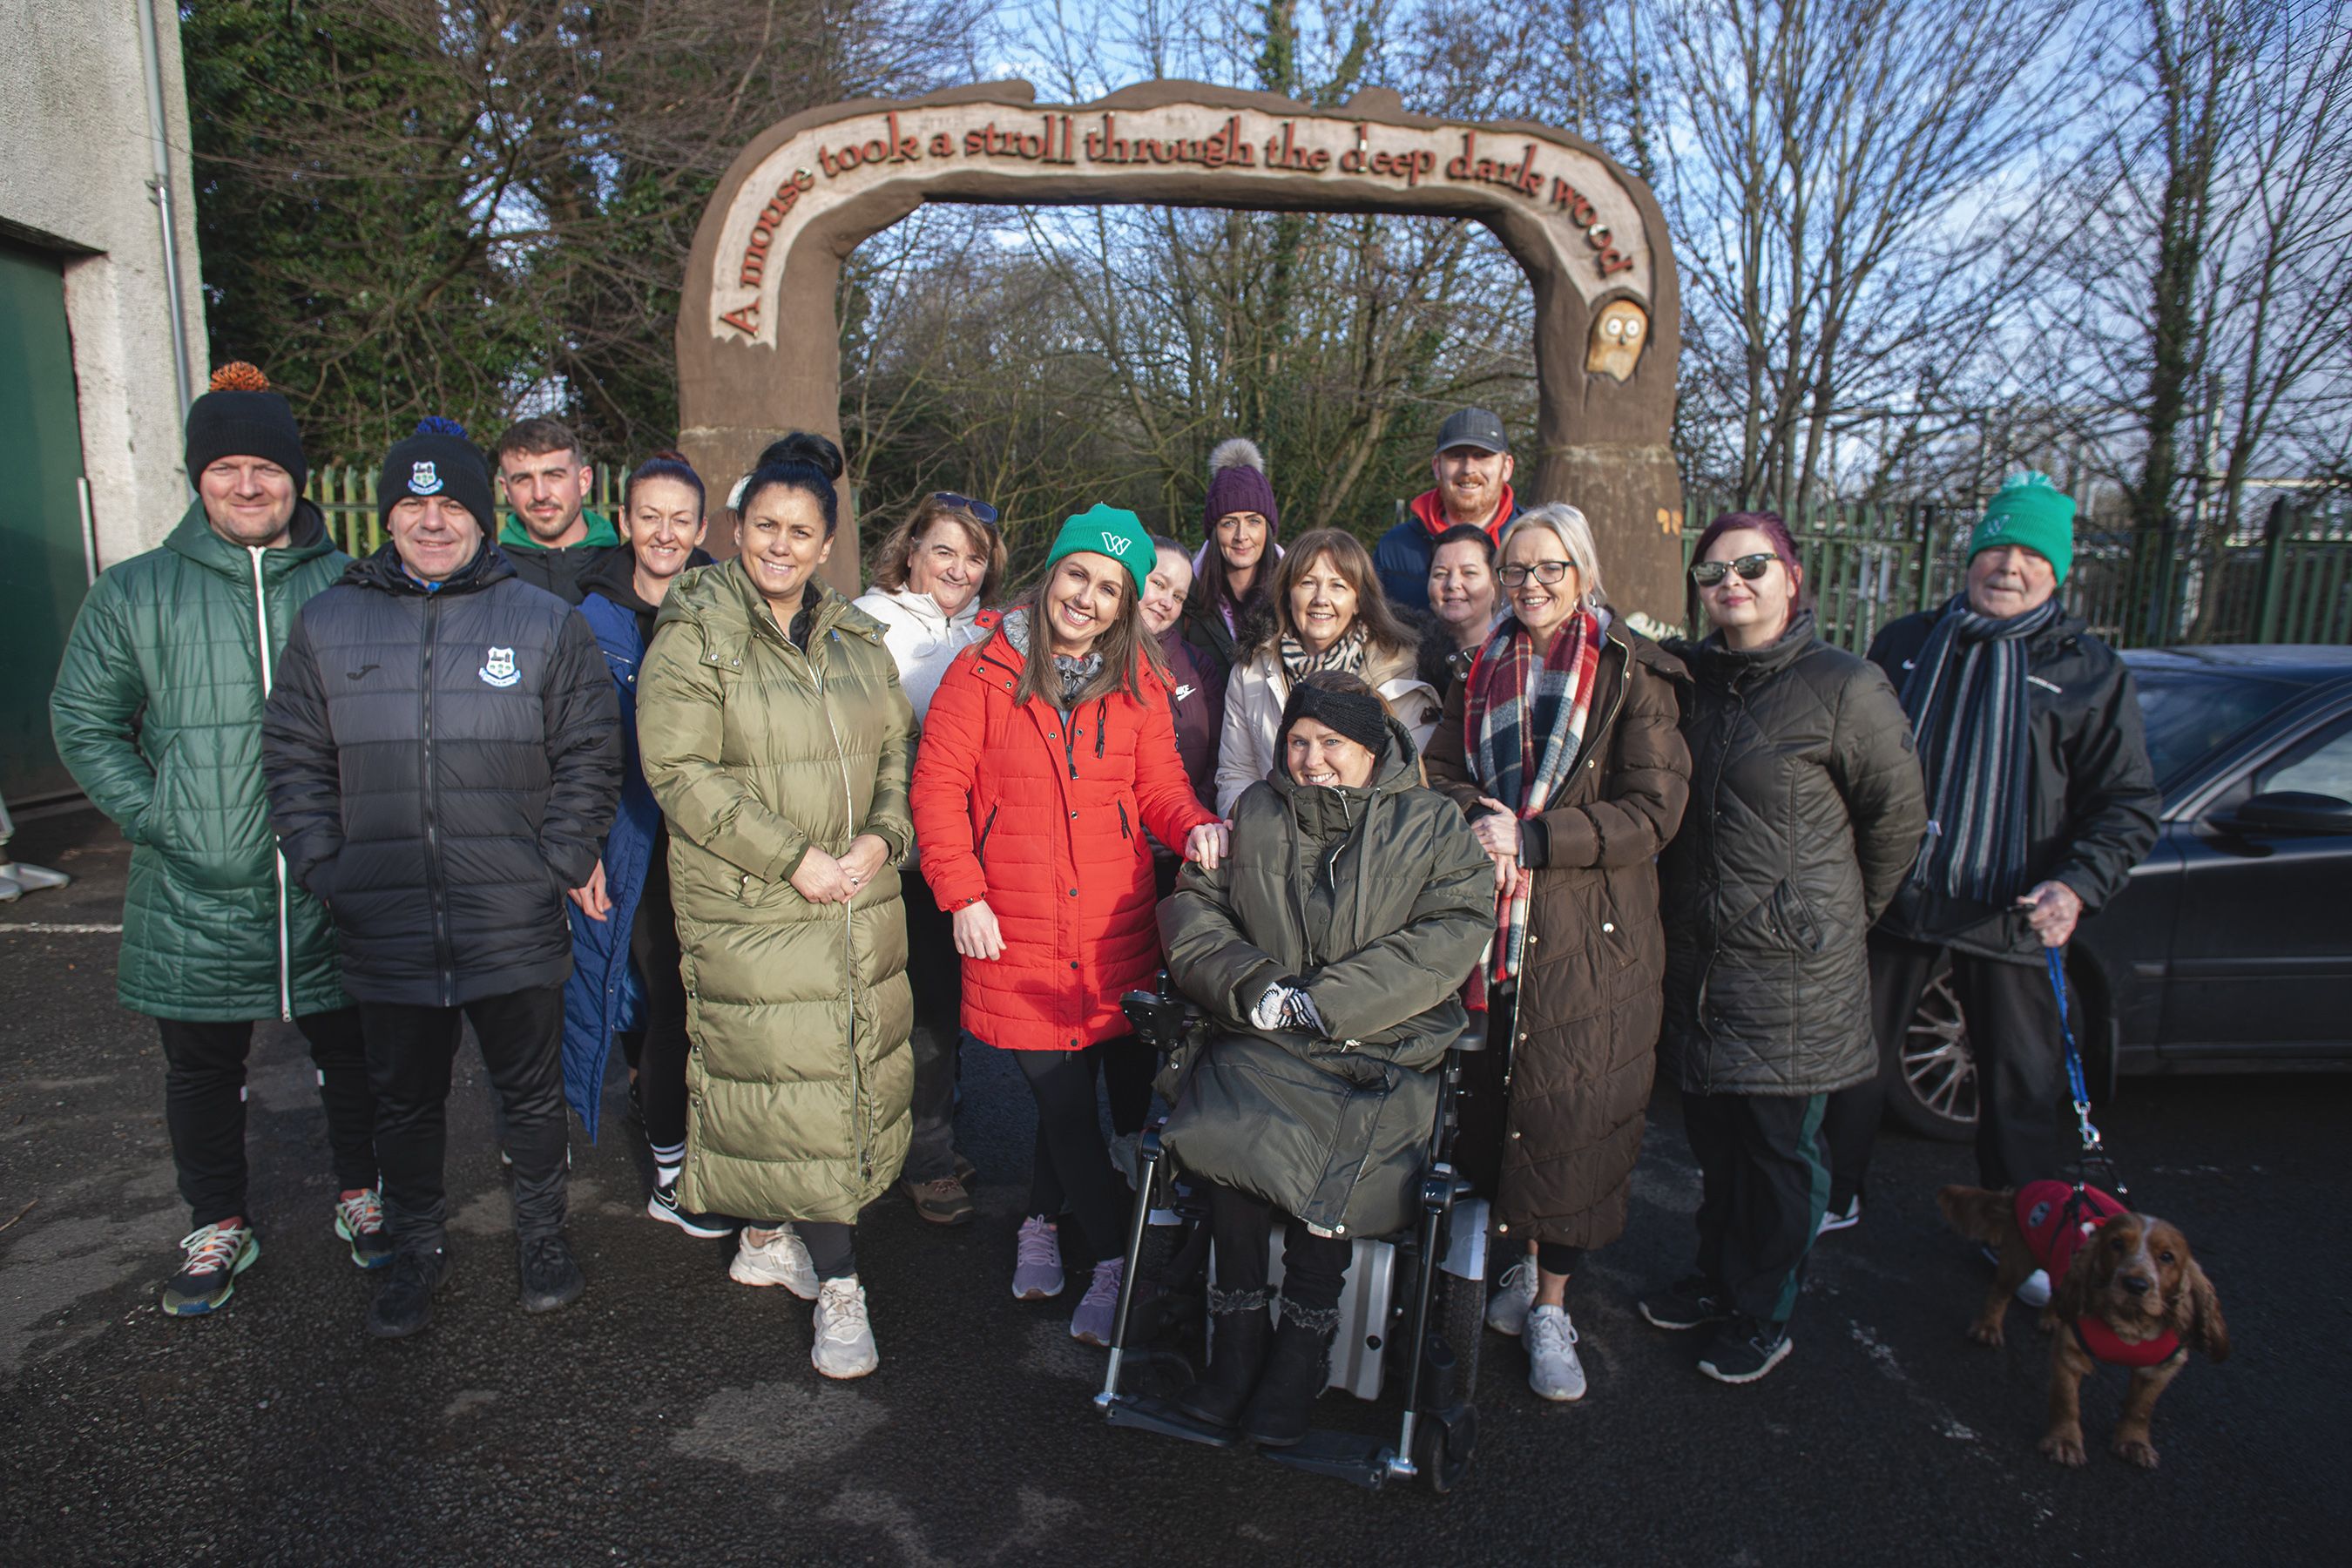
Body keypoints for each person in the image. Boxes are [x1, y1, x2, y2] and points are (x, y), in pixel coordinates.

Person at [262, 416, 621, 1340]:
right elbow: (293, 757)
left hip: (510, 913)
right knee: (405, 1102)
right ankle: (415, 1248)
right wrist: (323, 864)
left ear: (479, 509)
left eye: (450, 503)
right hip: (384, 920)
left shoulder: (542, 624)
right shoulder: (330, 619)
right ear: (389, 517)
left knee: (530, 1095)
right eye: (413, 505)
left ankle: (542, 1237)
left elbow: (589, 753)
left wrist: (557, 860)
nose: (432, 521)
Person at [51, 362, 384, 1317]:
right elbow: (84, 720)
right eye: (226, 466)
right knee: (201, 1068)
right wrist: (161, 818)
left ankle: (363, 1193)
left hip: (331, 879)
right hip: (195, 882)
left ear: (297, 475)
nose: (248, 485)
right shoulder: (136, 592)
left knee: (352, 1051)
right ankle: (216, 1219)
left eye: (266, 467)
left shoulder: (348, 582)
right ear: (198, 478)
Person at [1820, 474, 2159, 1304]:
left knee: (2017, 1084)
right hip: (1900, 891)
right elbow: (1847, 758)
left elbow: (2124, 803)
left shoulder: (2088, 670)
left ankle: (2026, 1234)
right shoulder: (1907, 640)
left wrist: (2077, 885)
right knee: (1848, 1059)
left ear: (2058, 572)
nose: (2007, 566)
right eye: (1995, 548)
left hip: (2012, 908)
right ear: (1971, 556)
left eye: (2030, 554)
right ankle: (1833, 1193)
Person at [636, 432, 917, 1381]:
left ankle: (765, 1236)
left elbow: (894, 759)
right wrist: (793, 858)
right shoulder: (698, 629)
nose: (780, 547)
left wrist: (883, 839)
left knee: (820, 1075)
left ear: (827, 541)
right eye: (765, 527)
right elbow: (679, 770)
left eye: (801, 531)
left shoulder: (853, 639)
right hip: (755, 898)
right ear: (737, 526)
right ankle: (841, 1289)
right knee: (800, 1084)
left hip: (855, 893)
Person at [909, 504, 1227, 1346]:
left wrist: (1194, 825)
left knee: (1077, 1103)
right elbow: (937, 792)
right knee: (1061, 1102)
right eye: (1078, 574)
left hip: (1113, 928)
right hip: (1013, 925)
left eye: (1110, 588)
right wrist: (962, 892)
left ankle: (1040, 1226)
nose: (1087, 597)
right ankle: (1120, 1263)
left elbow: (1158, 787)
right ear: (1051, 574)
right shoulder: (981, 673)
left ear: (1127, 606)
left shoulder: (1140, 684)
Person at [1158, 673, 1493, 1445]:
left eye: (1330, 744)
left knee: (1342, 1159)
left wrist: (1331, 1001)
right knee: (1232, 1136)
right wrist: (1258, 986)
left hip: (1378, 1050)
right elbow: (1194, 908)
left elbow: (1453, 928)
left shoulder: (1434, 825)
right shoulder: (1257, 812)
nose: (1311, 759)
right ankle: (1238, 1344)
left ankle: (1301, 1347)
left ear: (1372, 750)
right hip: (1265, 1033)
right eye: (1298, 742)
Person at [1642, 512, 1927, 1384]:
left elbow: (1896, 818)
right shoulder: (1692, 679)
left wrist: (1831, 918)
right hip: (1702, 959)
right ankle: (1716, 1277)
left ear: (1792, 577)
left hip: (1792, 969)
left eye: (1752, 566)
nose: (1732, 582)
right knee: (1717, 1139)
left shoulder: (1848, 686)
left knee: (1777, 1150)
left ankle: (1765, 1310)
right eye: (1714, 570)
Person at [1424, 502, 1690, 1402]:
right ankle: (1508, 1270)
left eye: (1550, 569)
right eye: (1517, 570)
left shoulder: (1631, 672)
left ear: (1583, 572)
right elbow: (1440, 771)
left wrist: (1533, 839)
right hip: (1488, 929)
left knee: (1573, 1120)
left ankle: (1553, 1304)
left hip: (1590, 933)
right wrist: (1477, 818)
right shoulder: (1481, 665)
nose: (1531, 586)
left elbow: (1654, 812)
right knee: (1499, 1111)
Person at [559, 450, 718, 1233]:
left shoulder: (728, 608)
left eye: (680, 518)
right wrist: (581, 847)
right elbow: (562, 745)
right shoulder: (589, 620)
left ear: (701, 527)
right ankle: (669, 1166)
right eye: (648, 516)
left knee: (719, 1004)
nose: (664, 532)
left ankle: (721, 1151)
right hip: (635, 840)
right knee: (667, 1005)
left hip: (716, 843)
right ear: (624, 521)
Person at [852, 491, 1008, 1227]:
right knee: (907, 1014)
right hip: (888, 854)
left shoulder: (987, 634)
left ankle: (927, 1134)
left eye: (974, 557)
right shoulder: (866, 625)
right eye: (943, 549)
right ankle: (923, 1157)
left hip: (955, 855)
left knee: (944, 1011)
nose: (958, 567)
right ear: (910, 549)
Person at [1213, 529, 1441, 816]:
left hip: (1372, 846)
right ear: (1286, 595)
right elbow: (1237, 774)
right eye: (1307, 583)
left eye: (1338, 586)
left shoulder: (1400, 674)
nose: (1321, 598)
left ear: (1359, 600)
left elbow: (1409, 791)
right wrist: (1257, 834)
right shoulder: (1250, 673)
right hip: (1277, 841)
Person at [1374, 409, 1522, 612]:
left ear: (1507, 467)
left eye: (1482, 456)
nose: (1468, 469)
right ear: (1437, 466)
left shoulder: (1527, 543)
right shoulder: (1395, 548)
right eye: (1456, 456)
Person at [1179, 439, 1280, 685]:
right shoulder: (1185, 599)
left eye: (1253, 521)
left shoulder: (1296, 595)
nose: (1241, 536)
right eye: (1229, 522)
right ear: (1214, 531)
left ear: (1267, 529)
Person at [493, 416, 619, 605]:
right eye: (523, 479)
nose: (540, 494)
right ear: (506, 490)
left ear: (583, 481)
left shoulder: (624, 569)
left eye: (554, 476)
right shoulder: (493, 576)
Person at [1142, 535, 1225, 817]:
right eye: (1158, 584)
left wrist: (1188, 814)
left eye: (1178, 597)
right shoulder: (1088, 657)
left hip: (1184, 834)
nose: (1166, 602)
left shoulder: (1198, 665)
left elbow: (1218, 755)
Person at [1417, 524, 1501, 697]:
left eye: (1469, 573)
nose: (1452, 584)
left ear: (1495, 584)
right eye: (1440, 574)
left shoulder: (1511, 658)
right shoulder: (1406, 661)